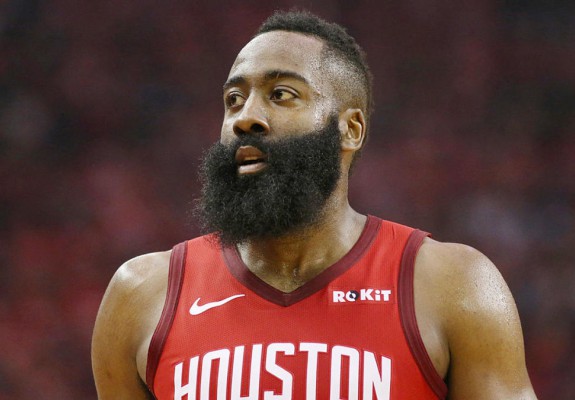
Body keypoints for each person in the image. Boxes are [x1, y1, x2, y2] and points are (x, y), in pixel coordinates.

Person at [91, 10, 537, 400]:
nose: (246, 117)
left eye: (281, 94)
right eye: (233, 100)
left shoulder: (452, 286)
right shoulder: (142, 294)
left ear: (351, 129)